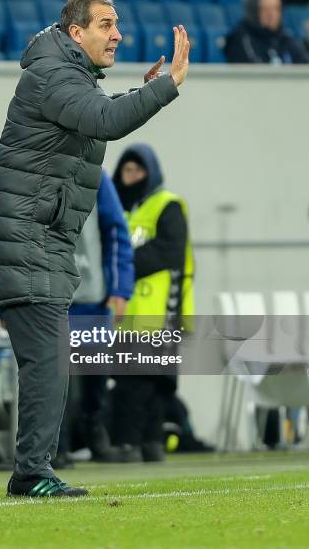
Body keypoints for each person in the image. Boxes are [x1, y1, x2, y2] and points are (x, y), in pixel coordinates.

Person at [0, 0, 190, 499]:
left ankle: (32, 469)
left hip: (38, 239)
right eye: (106, 24)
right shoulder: (52, 75)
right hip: (25, 238)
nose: (118, 34)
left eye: (116, 24)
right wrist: (167, 86)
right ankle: (32, 472)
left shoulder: (64, 76)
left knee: (49, 360)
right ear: (77, 33)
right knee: (49, 360)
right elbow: (106, 122)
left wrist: (140, 94)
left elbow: (98, 115)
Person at [110, 143, 194, 462]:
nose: (130, 177)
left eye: (137, 171)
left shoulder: (167, 205)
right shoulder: (122, 208)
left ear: (150, 173)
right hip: (129, 312)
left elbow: (169, 251)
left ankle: (143, 443)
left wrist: (125, 261)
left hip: (161, 310)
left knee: (153, 382)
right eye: (126, 170)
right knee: (132, 381)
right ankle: (138, 444)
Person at [53, 169, 134, 467]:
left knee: (94, 381)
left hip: (91, 298)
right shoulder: (32, 171)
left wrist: (120, 289)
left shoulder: (97, 178)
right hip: (50, 300)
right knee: (53, 378)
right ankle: (54, 447)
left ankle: (95, 436)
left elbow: (116, 231)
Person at [225, 0, 309, 64]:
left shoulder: (285, 39)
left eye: (276, 9)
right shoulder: (241, 38)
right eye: (265, 9)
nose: (271, 14)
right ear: (254, 11)